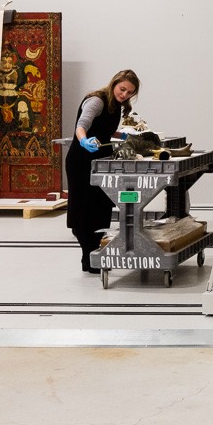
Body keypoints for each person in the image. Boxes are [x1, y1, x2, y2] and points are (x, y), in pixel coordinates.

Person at [65, 69, 141, 273]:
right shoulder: (97, 100)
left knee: (101, 207)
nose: (124, 94)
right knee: (84, 210)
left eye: (129, 92)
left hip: (101, 161)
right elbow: (83, 126)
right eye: (122, 89)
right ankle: (88, 257)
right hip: (82, 160)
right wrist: (84, 140)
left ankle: (94, 255)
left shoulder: (118, 105)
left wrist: (125, 136)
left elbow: (104, 129)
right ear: (114, 83)